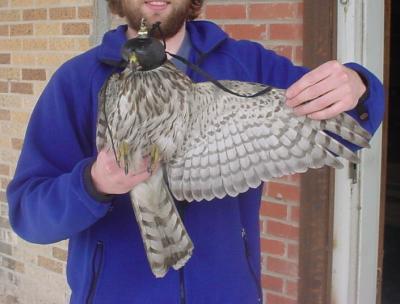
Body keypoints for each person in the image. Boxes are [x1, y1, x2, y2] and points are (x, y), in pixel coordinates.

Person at [6, 0, 384, 303]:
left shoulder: (247, 65)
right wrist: (93, 183)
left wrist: (359, 86)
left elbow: (347, 128)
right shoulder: (77, 80)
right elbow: (29, 215)